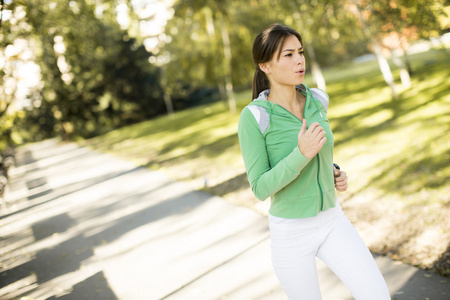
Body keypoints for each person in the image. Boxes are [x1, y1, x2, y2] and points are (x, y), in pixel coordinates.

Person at [237, 24, 390, 300]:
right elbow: (260, 188)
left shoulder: (317, 99)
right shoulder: (255, 117)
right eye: (288, 55)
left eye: (300, 52)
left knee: (376, 295)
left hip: (333, 220)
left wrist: (333, 171)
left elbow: (320, 153)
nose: (299, 60)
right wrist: (301, 154)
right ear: (265, 66)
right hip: (291, 233)